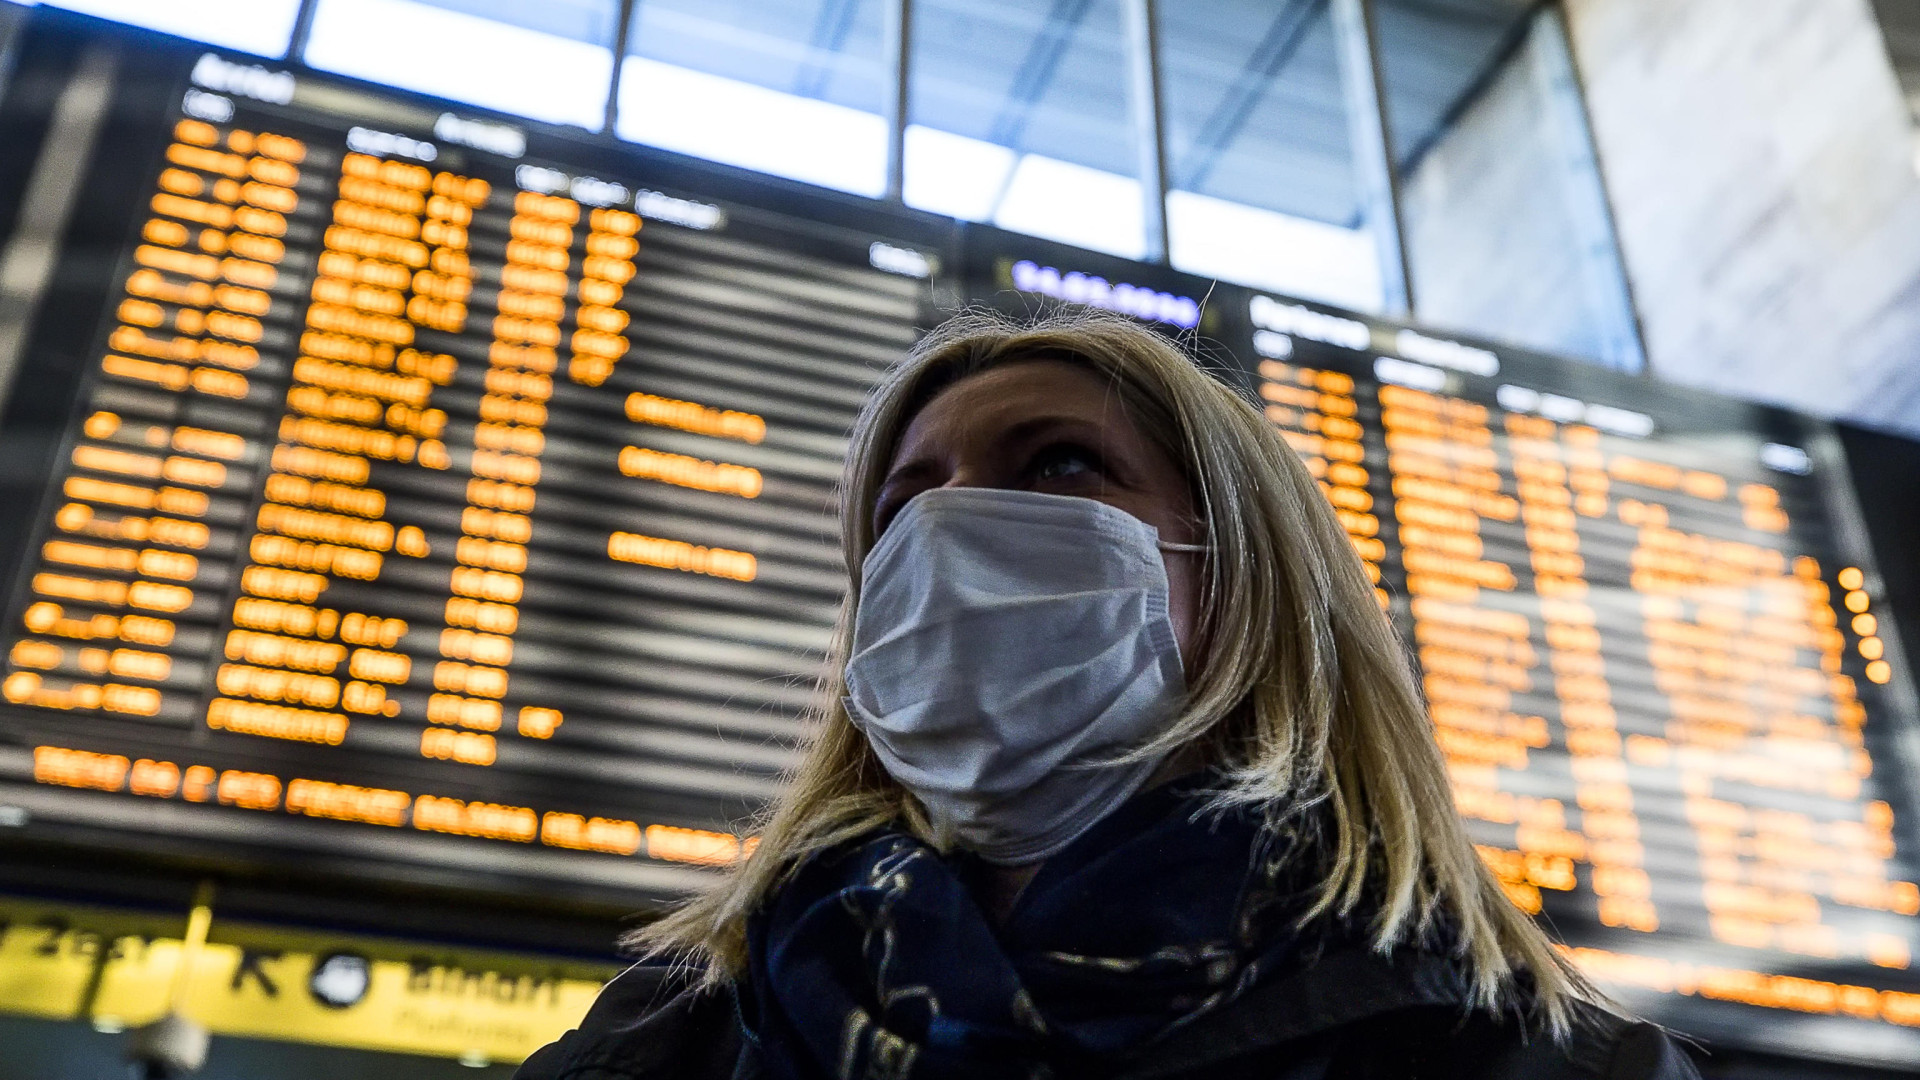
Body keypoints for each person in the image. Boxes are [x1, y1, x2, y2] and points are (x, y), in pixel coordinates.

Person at [515, 310, 1699, 1080]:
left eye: (1059, 466)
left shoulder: (1532, 1060)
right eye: (901, 506)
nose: (949, 528)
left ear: (1244, 572)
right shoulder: (675, 1039)